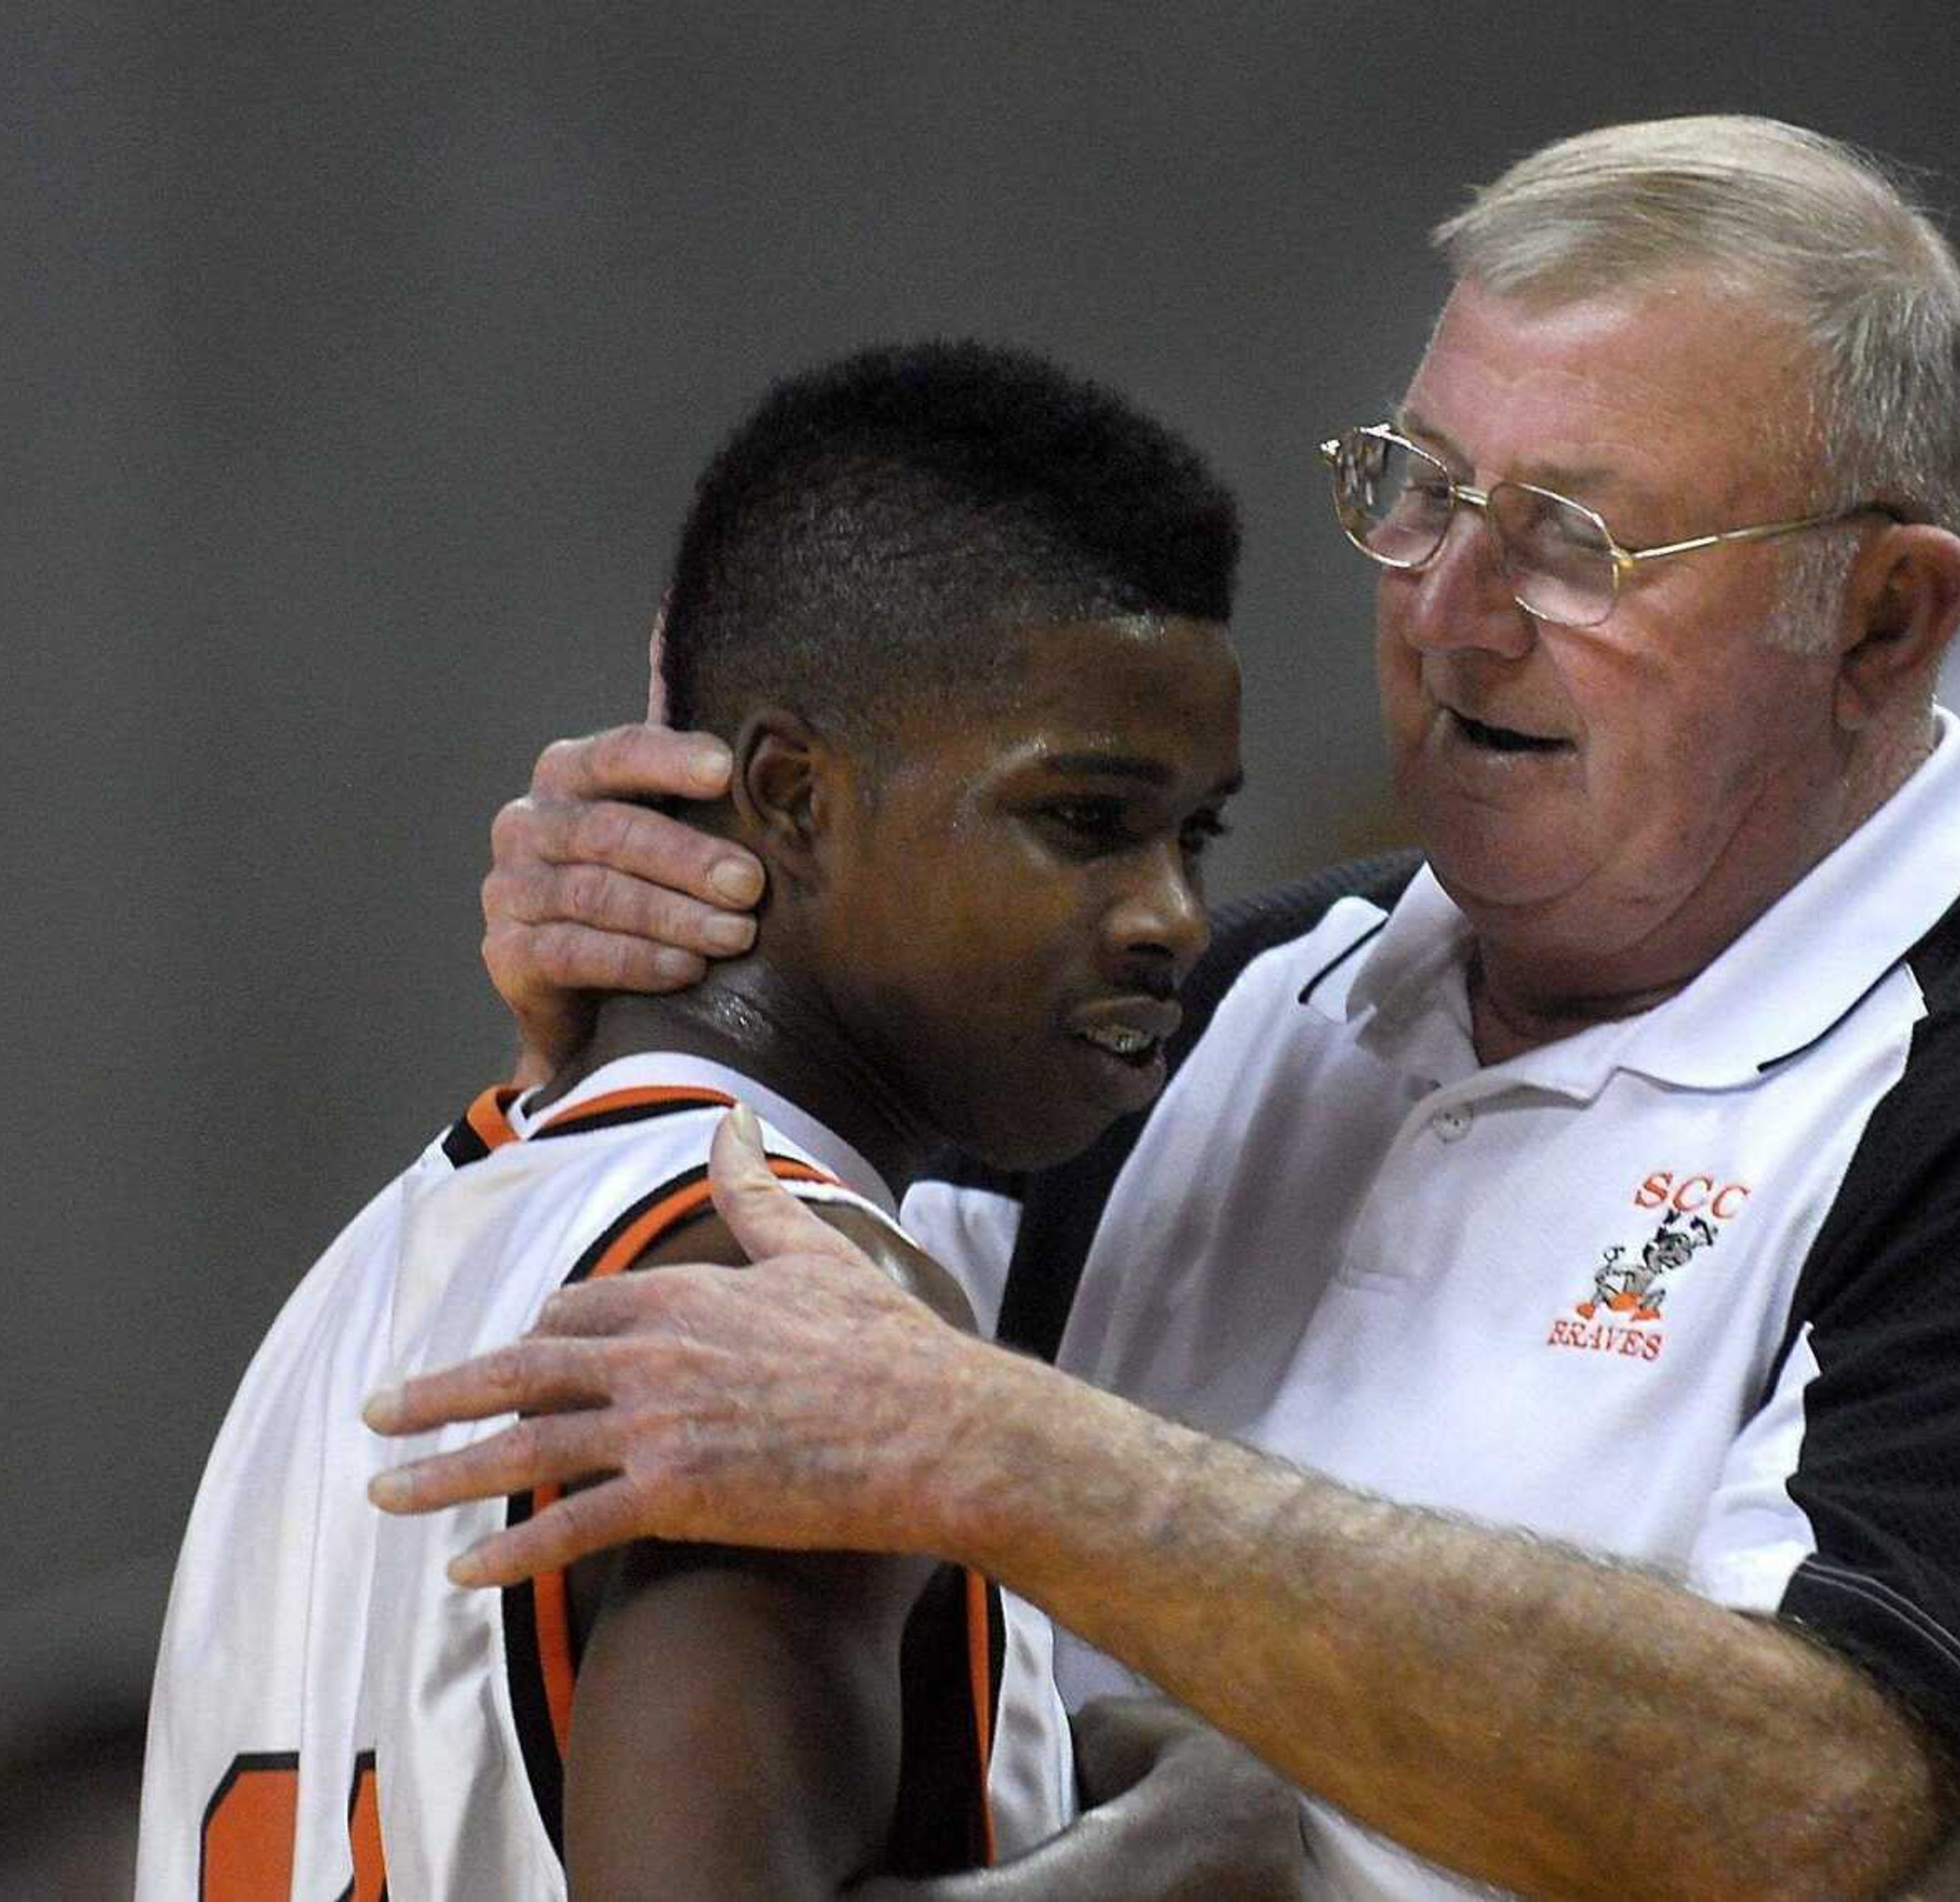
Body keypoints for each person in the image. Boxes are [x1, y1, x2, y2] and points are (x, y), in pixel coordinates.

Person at [370, 117, 1960, 1899]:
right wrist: (663, 1011)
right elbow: (725, 1424)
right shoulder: (1201, 1002)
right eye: (1417, 489)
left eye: (1574, 538)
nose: (1446, 608)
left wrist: (994, 1448)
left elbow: (1829, 1815)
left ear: (1882, 616)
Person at [138, 341, 1309, 1899]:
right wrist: (1191, 1855)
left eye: (1197, 835)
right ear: (794, 795)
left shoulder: (382, 1260)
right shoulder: (793, 1317)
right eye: (1084, 822)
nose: (1172, 915)